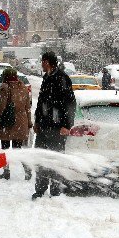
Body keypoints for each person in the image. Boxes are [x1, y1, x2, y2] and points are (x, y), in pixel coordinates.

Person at [32, 51, 76, 200]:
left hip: (57, 128)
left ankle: (55, 191)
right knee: (40, 158)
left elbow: (70, 104)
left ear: (47, 62)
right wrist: (37, 121)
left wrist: (67, 125)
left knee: (55, 160)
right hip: (44, 126)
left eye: (43, 61)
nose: (41, 64)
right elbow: (41, 102)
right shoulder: (46, 78)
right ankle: (40, 189)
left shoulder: (62, 78)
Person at [0, 68, 32, 180]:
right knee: (17, 148)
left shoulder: (5, 87)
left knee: (5, 148)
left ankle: (6, 172)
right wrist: (29, 122)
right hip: (21, 122)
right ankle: (27, 170)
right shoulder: (23, 87)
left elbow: (2, 106)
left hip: (8, 121)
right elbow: (28, 107)